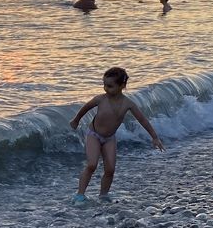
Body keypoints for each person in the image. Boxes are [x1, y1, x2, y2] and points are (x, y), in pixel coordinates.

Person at [69, 66, 165, 204]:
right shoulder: (100, 99)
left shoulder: (128, 104)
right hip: (94, 135)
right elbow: (85, 108)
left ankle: (103, 195)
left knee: (110, 169)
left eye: (110, 86)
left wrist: (154, 137)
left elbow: (142, 120)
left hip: (109, 139)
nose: (106, 89)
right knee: (91, 165)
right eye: (104, 85)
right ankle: (80, 195)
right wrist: (76, 120)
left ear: (122, 86)